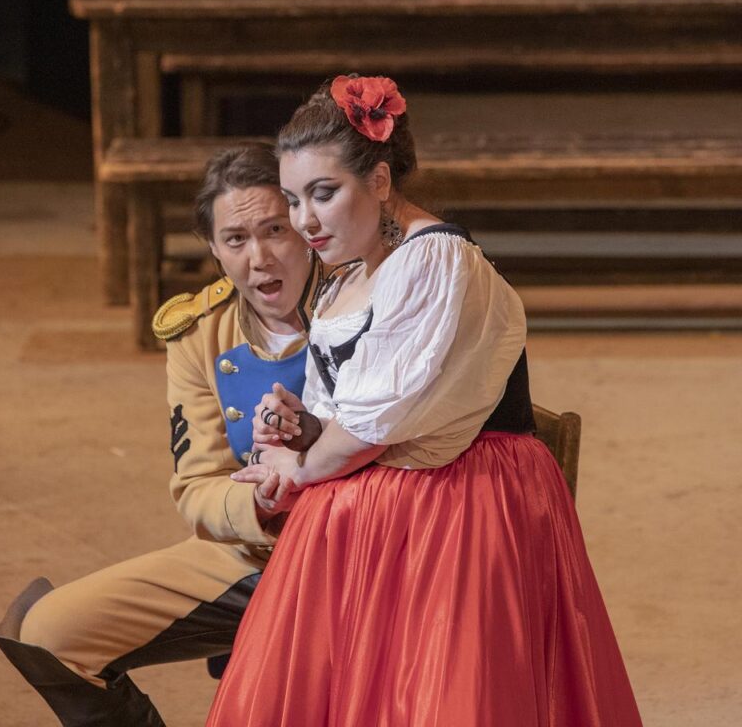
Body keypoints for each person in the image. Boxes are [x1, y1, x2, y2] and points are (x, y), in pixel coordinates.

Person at [207, 76, 643, 726]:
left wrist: (299, 467)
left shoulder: (434, 260)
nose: (305, 221)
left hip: (463, 497)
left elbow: (367, 433)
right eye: (294, 200)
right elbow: (345, 417)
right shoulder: (347, 276)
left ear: (380, 180)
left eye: (324, 193)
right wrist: (296, 433)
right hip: (379, 490)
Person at [0, 142, 321, 726]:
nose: (260, 258)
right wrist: (258, 502)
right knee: (48, 634)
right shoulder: (199, 335)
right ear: (214, 249)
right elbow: (197, 487)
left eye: (275, 229)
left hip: (358, 553)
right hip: (254, 551)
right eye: (236, 239)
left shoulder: (364, 301)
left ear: (305, 223)